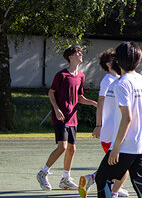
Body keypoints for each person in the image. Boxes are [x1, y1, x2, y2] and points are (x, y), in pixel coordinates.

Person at [94, 41, 142, 198]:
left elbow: (127, 118)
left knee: (102, 179)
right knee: (140, 184)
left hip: (126, 146)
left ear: (118, 61)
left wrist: (116, 148)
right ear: (138, 60)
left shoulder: (121, 84)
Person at [36, 45, 97, 191]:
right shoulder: (61, 75)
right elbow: (51, 93)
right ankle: (42, 173)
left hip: (72, 117)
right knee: (62, 147)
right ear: (70, 56)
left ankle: (65, 179)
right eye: (78, 53)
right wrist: (56, 109)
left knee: (72, 149)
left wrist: (94, 103)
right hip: (60, 117)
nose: (81, 54)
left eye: (81, 52)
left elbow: (79, 97)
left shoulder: (81, 76)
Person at [78, 49, 129, 197]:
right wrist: (98, 125)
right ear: (108, 64)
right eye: (115, 59)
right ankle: (111, 189)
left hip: (117, 128)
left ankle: (99, 181)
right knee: (123, 163)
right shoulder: (107, 80)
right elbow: (100, 103)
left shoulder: (121, 79)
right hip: (111, 130)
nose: (119, 61)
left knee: (118, 162)